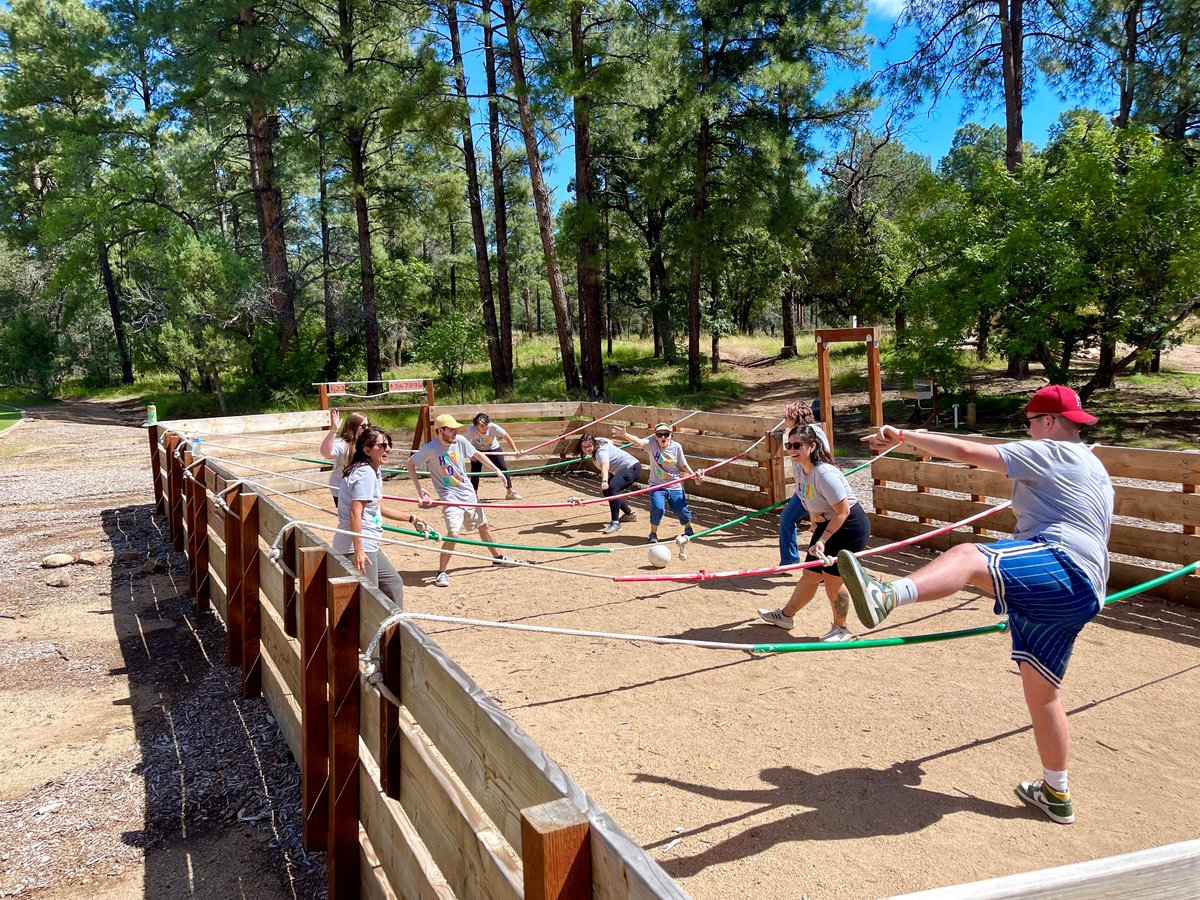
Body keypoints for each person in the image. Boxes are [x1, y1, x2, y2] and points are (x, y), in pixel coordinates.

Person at [838, 385, 1114, 825]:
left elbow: (972, 452)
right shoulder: (1092, 464)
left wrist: (904, 435)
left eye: (1028, 423)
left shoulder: (1054, 450)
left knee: (969, 556)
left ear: (1046, 422)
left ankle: (887, 595)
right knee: (1043, 696)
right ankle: (1055, 793)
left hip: (1061, 565)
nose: (1027, 431)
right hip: (1083, 590)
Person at [757, 425, 871, 642]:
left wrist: (823, 539)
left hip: (849, 526)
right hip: (828, 523)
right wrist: (813, 521)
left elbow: (843, 511)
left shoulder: (825, 473)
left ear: (812, 446)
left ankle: (841, 629)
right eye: (789, 445)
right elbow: (806, 497)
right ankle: (786, 616)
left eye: (797, 445)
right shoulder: (801, 469)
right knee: (810, 575)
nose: (792, 449)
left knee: (833, 579)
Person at [407, 413, 519, 587]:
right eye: (451, 429)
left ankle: (498, 558)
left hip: (467, 493)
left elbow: (477, 455)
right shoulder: (430, 448)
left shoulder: (459, 441)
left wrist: (497, 470)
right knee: (454, 533)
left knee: (484, 526)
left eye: (455, 429)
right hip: (449, 496)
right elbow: (410, 463)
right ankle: (441, 572)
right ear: (440, 430)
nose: (454, 432)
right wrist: (419, 488)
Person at [331, 426, 425, 607]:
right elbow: (355, 512)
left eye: (388, 444)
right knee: (369, 600)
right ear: (367, 450)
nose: (387, 449)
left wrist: (411, 518)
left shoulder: (374, 471)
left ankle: (395, 629)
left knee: (393, 584)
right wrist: (359, 551)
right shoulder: (365, 473)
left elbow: (378, 507)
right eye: (382, 445)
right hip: (357, 544)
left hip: (368, 542)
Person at [612, 422, 702, 544]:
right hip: (656, 484)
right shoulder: (651, 443)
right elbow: (639, 442)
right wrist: (625, 435)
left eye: (666, 434)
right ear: (655, 436)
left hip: (674, 483)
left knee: (680, 509)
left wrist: (693, 475)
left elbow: (683, 464)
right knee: (658, 508)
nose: (663, 437)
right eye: (660, 434)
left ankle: (688, 527)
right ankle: (653, 533)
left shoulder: (677, 447)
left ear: (671, 435)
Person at [777, 400, 831, 565]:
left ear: (795, 416)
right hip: (803, 488)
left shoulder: (813, 432)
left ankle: (824, 567)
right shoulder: (794, 433)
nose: (786, 419)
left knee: (823, 524)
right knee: (787, 519)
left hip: (816, 486)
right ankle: (789, 560)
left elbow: (822, 458)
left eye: (788, 416)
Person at [579, 432, 642, 534]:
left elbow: (605, 467)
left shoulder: (600, 452)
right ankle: (629, 514)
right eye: (584, 447)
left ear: (594, 444)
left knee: (612, 488)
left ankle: (615, 522)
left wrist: (604, 481)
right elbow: (609, 441)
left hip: (631, 468)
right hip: (623, 469)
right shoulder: (600, 442)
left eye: (589, 446)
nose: (586, 449)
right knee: (607, 491)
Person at [464, 412, 523, 500]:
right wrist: (470, 455)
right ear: (476, 426)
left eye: (486, 425)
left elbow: (507, 437)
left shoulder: (494, 427)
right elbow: (464, 443)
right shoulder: (471, 430)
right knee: (475, 471)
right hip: (477, 450)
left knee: (503, 468)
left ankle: (510, 492)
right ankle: (474, 495)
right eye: (481, 426)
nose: (485, 428)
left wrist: (515, 450)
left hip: (493, 448)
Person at [319, 409, 368, 508]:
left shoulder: (366, 442)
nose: (366, 428)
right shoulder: (342, 444)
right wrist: (334, 430)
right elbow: (326, 453)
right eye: (363, 426)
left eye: (368, 425)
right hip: (341, 486)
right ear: (354, 427)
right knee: (349, 517)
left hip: (359, 484)